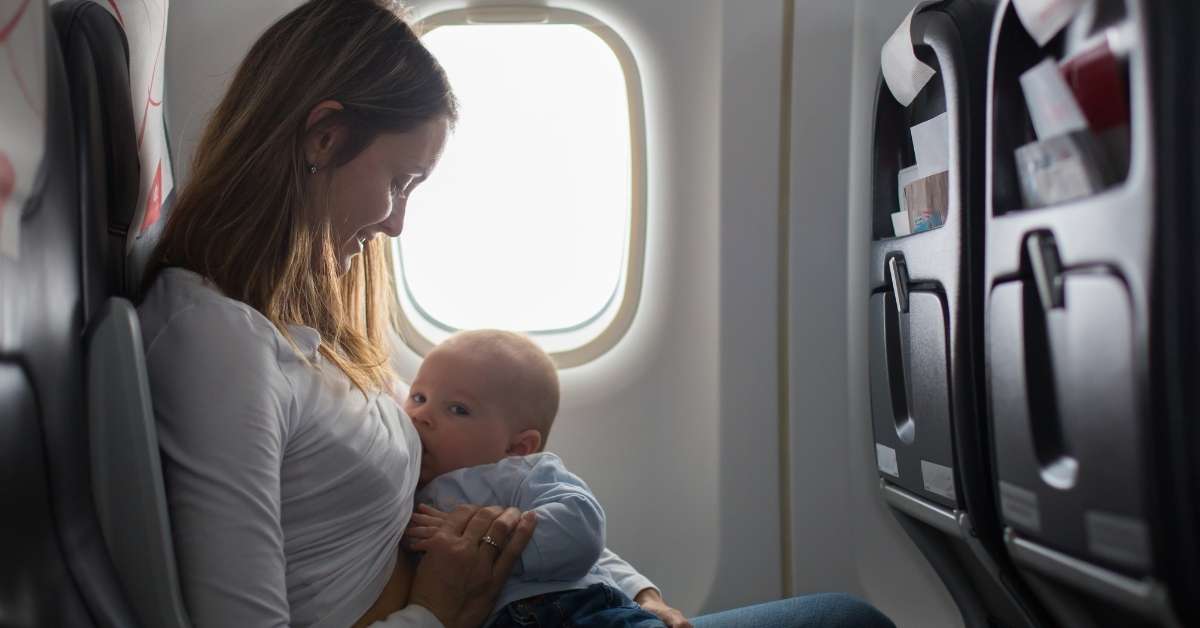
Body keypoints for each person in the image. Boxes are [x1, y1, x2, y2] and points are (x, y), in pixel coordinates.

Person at [137, 0, 897, 627]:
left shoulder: (307, 335)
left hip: (510, 606)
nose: (396, 224)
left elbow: (508, 488)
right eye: (399, 182)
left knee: (845, 616)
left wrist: (640, 591)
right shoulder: (217, 342)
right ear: (325, 136)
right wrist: (436, 609)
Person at [397, 329, 669, 627]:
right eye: (418, 397)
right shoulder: (403, 481)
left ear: (517, 448)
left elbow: (581, 528)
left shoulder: (520, 474)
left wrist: (491, 543)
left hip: (574, 608)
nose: (420, 414)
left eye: (458, 409)